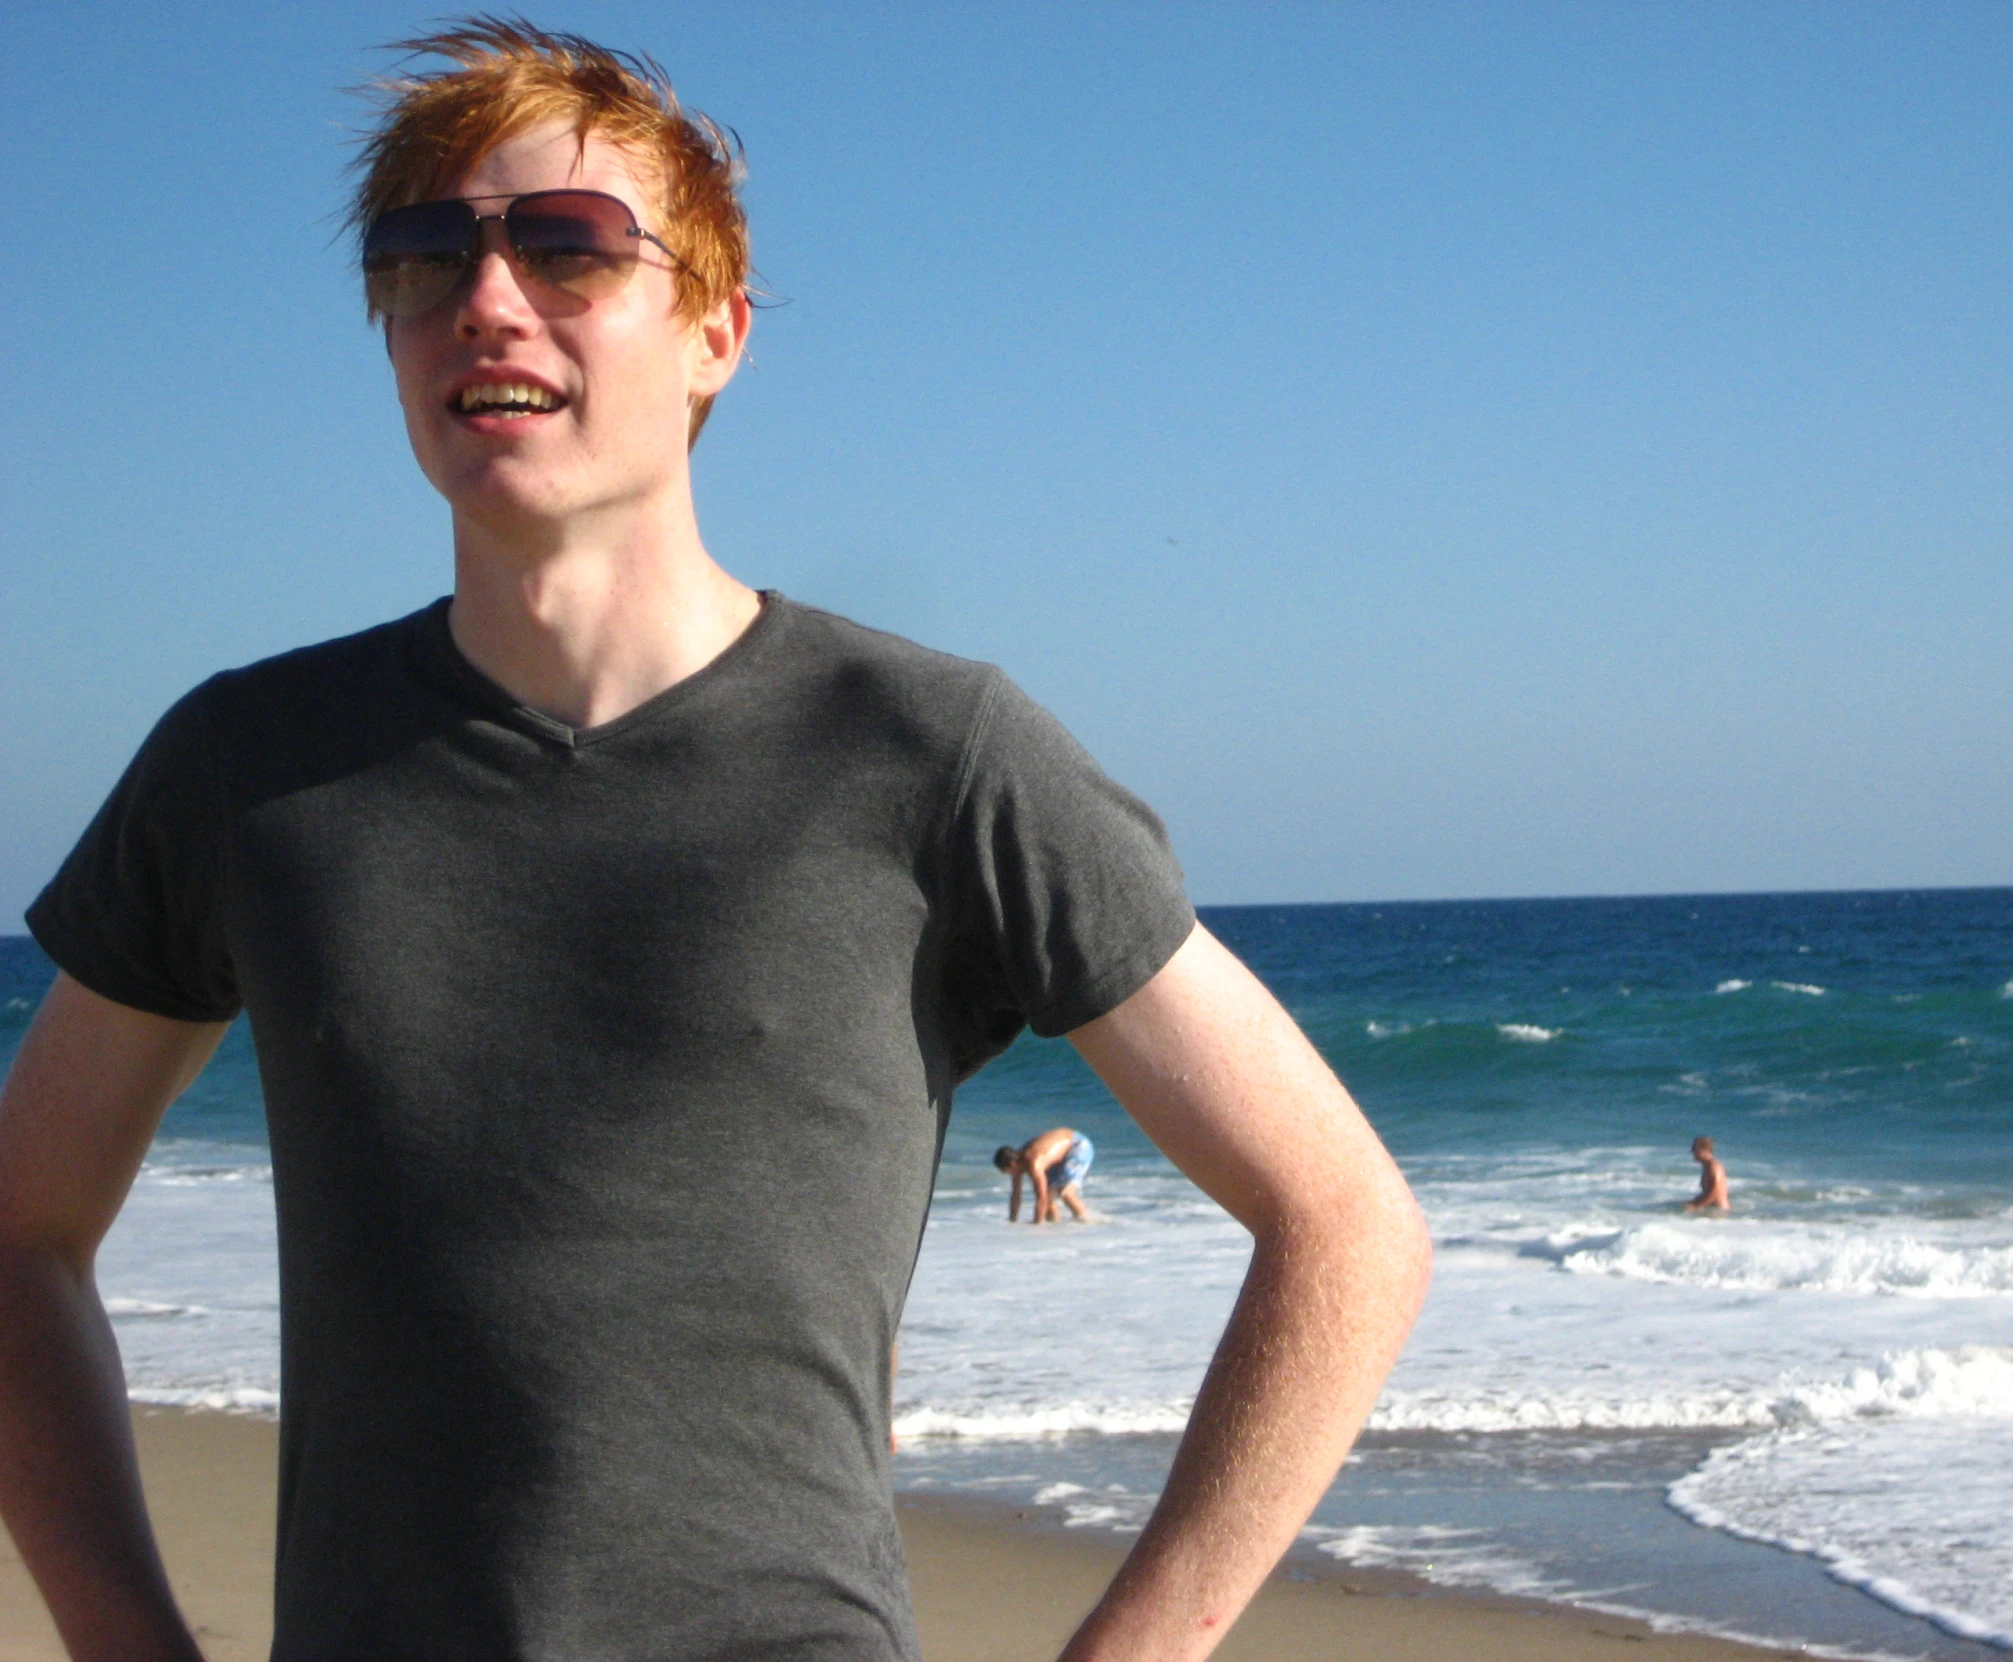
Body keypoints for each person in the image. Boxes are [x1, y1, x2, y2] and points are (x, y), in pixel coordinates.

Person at [0, 19, 1430, 1662]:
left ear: (716, 329)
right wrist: (125, 1637)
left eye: (567, 247)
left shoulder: (930, 753)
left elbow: (1346, 1225)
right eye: (420, 257)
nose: (484, 298)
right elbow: (21, 1231)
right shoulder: (247, 770)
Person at [997, 1127, 1095, 1223]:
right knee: (1049, 1195)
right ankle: (1054, 1227)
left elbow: (1041, 1198)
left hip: (1078, 1146)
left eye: (1007, 1172)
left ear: (1012, 1165)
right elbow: (1016, 1194)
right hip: (1063, 1152)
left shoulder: (1034, 1163)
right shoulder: (1016, 1161)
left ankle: (1085, 1222)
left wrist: (1037, 1225)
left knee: (1065, 1193)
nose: (1011, 1175)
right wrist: (1012, 1221)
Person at [1685, 1135, 1731, 1212]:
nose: (1691, 1151)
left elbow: (1716, 1192)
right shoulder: (1707, 1167)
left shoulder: (1714, 1167)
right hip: (1712, 1210)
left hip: (1718, 1211)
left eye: (1694, 1149)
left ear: (1704, 1150)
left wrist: (1696, 1206)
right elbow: (1707, 1192)